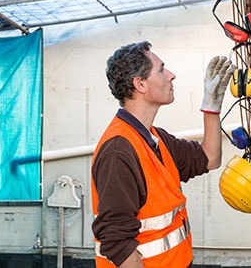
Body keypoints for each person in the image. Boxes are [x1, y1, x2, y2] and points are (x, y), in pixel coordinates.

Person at [91, 41, 234, 268]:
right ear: (140, 84)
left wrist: (211, 106)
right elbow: (117, 242)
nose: (171, 75)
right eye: (161, 70)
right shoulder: (118, 151)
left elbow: (210, 158)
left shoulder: (155, 139)